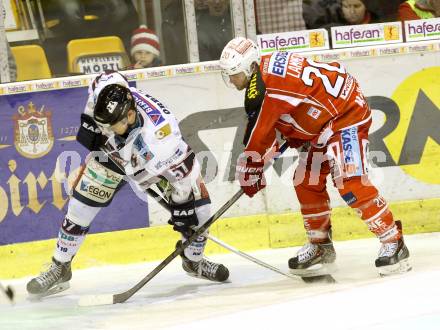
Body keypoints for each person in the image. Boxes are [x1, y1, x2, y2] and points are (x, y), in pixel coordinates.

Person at [219, 37, 411, 278]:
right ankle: (321, 246)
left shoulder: (268, 91)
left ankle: (394, 241)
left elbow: (260, 136)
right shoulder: (264, 70)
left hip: (345, 117)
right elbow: (285, 115)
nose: (231, 80)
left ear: (250, 68)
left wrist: (251, 169)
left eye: (234, 74)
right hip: (323, 120)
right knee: (306, 181)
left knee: (350, 181)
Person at [26, 71, 229, 297]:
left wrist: (182, 206)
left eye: (113, 126)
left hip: (154, 166)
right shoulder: (107, 89)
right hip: (111, 157)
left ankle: (194, 262)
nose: (109, 130)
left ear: (130, 115)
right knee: (80, 207)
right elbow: (96, 95)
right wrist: (91, 126)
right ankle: (60, 267)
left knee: (199, 212)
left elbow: (186, 174)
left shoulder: (162, 137)